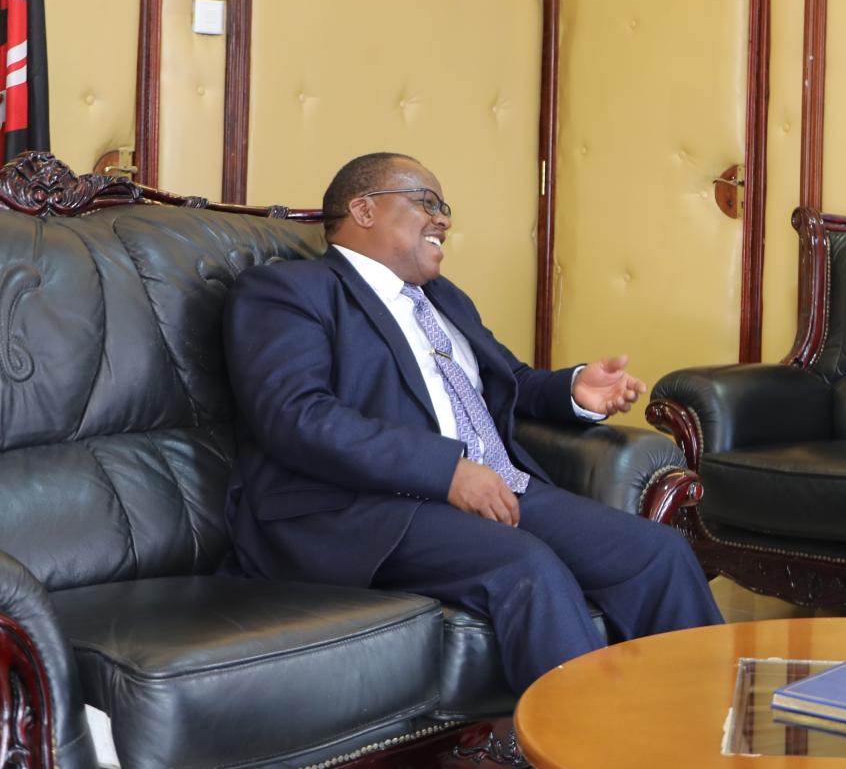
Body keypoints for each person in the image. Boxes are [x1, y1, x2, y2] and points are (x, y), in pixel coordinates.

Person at [222, 152, 722, 691]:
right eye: (426, 202)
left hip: (492, 488)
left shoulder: (444, 299)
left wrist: (572, 389)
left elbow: (510, 379)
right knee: (527, 567)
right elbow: (297, 417)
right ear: (363, 209)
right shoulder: (289, 291)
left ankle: (706, 733)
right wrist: (448, 472)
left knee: (659, 553)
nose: (444, 220)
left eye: (446, 207)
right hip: (363, 508)